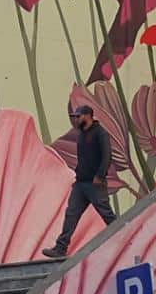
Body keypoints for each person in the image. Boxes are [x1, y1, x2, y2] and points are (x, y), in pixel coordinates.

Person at [44, 102, 115, 258]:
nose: (75, 119)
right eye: (74, 116)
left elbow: (107, 156)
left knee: (106, 214)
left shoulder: (100, 133)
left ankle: (126, 239)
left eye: (78, 116)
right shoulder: (82, 134)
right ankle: (60, 248)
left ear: (88, 116)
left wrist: (100, 175)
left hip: (95, 183)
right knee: (71, 214)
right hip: (81, 183)